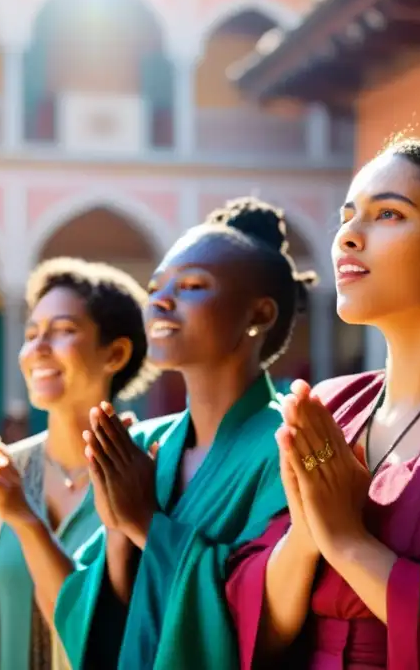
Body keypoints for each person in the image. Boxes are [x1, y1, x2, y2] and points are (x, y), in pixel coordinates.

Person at [225, 139, 420, 668]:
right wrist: (308, 531)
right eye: (348, 217)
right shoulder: (332, 404)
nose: (347, 236)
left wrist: (345, 539)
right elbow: (260, 628)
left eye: (387, 214)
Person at [53, 198, 316, 669]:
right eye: (155, 288)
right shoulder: (143, 446)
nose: (160, 300)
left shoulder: (287, 447)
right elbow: (94, 623)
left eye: (192, 285)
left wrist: (145, 524)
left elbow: (262, 614)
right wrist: (116, 530)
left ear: (259, 315)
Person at [0, 257, 157, 670]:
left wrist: (22, 517)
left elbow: (140, 621)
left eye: (64, 331)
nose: (37, 349)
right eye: (32, 333)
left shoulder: (149, 471)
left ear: (116, 353)